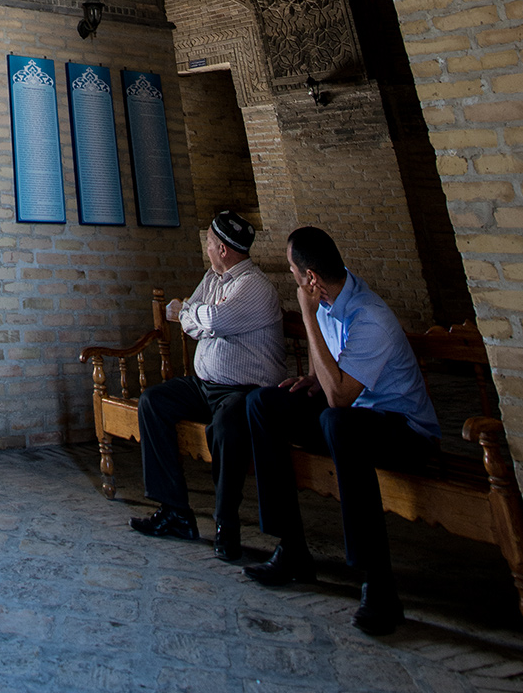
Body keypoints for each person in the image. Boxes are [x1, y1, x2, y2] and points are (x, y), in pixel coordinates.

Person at [244, 225, 440, 636]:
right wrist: (311, 380)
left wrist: (306, 314)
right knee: (264, 404)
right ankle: (292, 549)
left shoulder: (370, 316)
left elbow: (340, 399)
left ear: (311, 279)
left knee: (337, 422)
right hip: (356, 420)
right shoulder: (333, 301)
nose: (293, 279)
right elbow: (328, 378)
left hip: (404, 431)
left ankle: (379, 586)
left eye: (294, 272)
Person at [129, 209, 286, 561]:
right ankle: (175, 512)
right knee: (154, 402)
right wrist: (194, 315)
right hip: (206, 385)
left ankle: (226, 524)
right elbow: (192, 321)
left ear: (224, 250)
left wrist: (192, 313)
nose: (208, 250)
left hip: (244, 391)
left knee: (226, 428)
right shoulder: (214, 278)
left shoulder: (254, 287)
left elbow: (209, 319)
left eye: (211, 244)